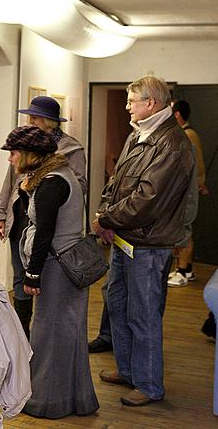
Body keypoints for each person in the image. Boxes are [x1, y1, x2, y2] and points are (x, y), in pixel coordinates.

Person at [93, 75, 194, 407]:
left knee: (144, 314)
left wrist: (107, 219)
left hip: (149, 245)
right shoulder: (140, 134)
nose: (127, 107)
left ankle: (149, 385)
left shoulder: (173, 143)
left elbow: (147, 198)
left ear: (150, 103)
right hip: (127, 238)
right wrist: (105, 215)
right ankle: (128, 370)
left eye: (131, 101)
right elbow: (117, 181)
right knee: (118, 303)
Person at [0, 126, 98, 418]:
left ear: (30, 155)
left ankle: (46, 401)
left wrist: (32, 274)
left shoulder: (52, 183)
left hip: (56, 267)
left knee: (48, 334)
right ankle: (75, 399)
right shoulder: (58, 176)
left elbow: (44, 232)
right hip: (65, 265)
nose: (11, 159)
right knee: (68, 333)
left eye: (14, 153)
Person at [0, 96, 86, 338]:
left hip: (49, 223)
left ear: (50, 122)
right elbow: (10, 181)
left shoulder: (70, 149)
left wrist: (44, 191)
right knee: (19, 278)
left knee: (40, 282)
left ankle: (37, 336)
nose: (31, 121)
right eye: (30, 117)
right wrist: (1, 213)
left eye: (35, 117)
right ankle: (22, 333)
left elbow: (77, 185)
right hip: (20, 219)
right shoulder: (25, 143)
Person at [168, 99, 209, 287]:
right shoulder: (187, 134)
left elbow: (194, 166)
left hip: (187, 192)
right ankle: (187, 269)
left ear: (177, 115)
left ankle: (183, 271)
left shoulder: (187, 136)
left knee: (185, 230)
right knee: (186, 230)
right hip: (188, 190)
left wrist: (199, 184)